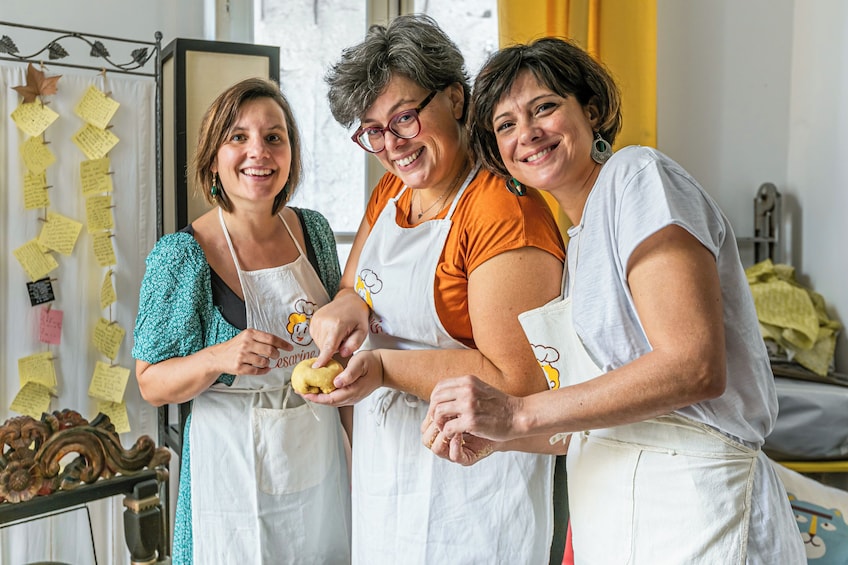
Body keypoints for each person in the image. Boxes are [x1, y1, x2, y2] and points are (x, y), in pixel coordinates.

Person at [425, 37, 806, 564]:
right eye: (506, 124)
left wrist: (518, 412)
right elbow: (602, 408)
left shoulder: (638, 177)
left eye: (545, 107)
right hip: (621, 515)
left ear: (593, 110)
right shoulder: (579, 240)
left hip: (695, 511)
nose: (528, 133)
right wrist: (501, 437)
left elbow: (694, 367)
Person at [305, 14, 566, 565]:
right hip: (390, 472)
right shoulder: (392, 194)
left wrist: (382, 370)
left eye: (403, 118)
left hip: (474, 491)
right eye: (372, 130)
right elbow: (357, 287)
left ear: (456, 98)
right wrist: (345, 303)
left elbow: (516, 384)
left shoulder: (502, 211)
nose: (391, 145)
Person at [132, 77, 351, 565]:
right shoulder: (182, 256)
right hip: (229, 472)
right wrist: (217, 356)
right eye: (238, 137)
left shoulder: (312, 230)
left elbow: (341, 338)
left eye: (275, 137)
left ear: (290, 152)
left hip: (320, 451)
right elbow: (150, 383)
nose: (260, 152)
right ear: (213, 157)